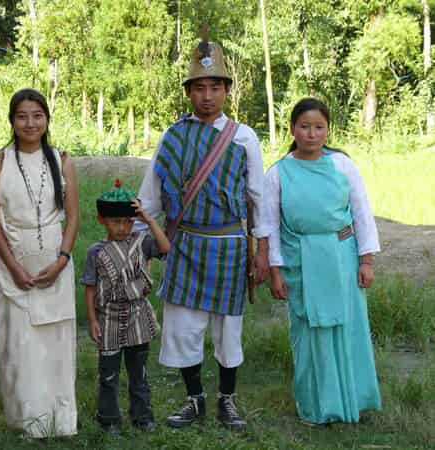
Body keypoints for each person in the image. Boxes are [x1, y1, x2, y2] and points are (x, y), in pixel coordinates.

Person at [136, 36, 268, 431]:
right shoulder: (172, 136)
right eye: (199, 88)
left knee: (228, 328)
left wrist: (261, 250)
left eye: (215, 87)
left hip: (229, 245)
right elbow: (152, 193)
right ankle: (194, 399)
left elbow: (258, 198)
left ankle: (228, 400)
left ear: (226, 90)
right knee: (182, 326)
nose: (207, 96)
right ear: (189, 92)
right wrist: (139, 238)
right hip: (186, 244)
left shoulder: (245, 138)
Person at [260, 97, 382, 425]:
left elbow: (361, 213)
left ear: (328, 130)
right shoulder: (278, 173)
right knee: (309, 333)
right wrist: (275, 271)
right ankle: (316, 407)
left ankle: (352, 403)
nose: (312, 134)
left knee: (347, 328)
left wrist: (366, 261)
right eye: (304, 126)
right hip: (300, 262)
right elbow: (269, 226)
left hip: (341, 258)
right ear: (292, 129)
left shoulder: (343, 165)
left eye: (319, 127)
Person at [0, 88, 79, 438]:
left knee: (56, 343)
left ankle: (61, 422)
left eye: (37, 116)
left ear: (46, 119)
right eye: (22, 116)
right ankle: (29, 422)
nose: (30, 123)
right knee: (20, 345)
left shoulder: (62, 159)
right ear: (11, 120)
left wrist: (62, 259)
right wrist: (13, 267)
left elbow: (73, 218)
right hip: (16, 263)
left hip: (55, 265)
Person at [80, 181, 170, 435]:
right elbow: (89, 286)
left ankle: (142, 417)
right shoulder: (95, 252)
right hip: (108, 319)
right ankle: (108, 419)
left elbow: (165, 248)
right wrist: (91, 318)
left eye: (128, 222)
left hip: (137, 318)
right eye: (116, 221)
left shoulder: (141, 244)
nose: (122, 227)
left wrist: (148, 220)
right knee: (108, 374)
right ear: (101, 220)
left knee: (138, 373)